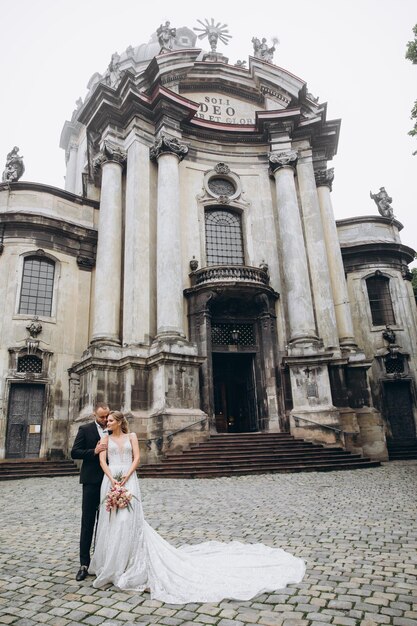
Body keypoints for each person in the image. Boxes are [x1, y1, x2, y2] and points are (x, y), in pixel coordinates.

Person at [89, 411, 306, 603]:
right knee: (112, 520)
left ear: (119, 421)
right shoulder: (104, 439)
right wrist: (114, 480)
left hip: (128, 479)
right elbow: (102, 461)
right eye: (105, 420)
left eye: (109, 420)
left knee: (130, 519)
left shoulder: (132, 436)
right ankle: (113, 562)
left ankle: (129, 559)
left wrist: (125, 477)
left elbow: (137, 458)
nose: (106, 422)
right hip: (111, 481)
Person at [71, 402, 110, 581]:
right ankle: (84, 564)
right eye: (101, 417)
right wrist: (93, 451)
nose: (104, 420)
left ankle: (101, 561)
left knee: (105, 523)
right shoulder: (85, 429)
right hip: (91, 482)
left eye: (106, 416)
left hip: (109, 482)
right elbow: (75, 452)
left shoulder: (113, 428)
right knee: (88, 523)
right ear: (95, 415)